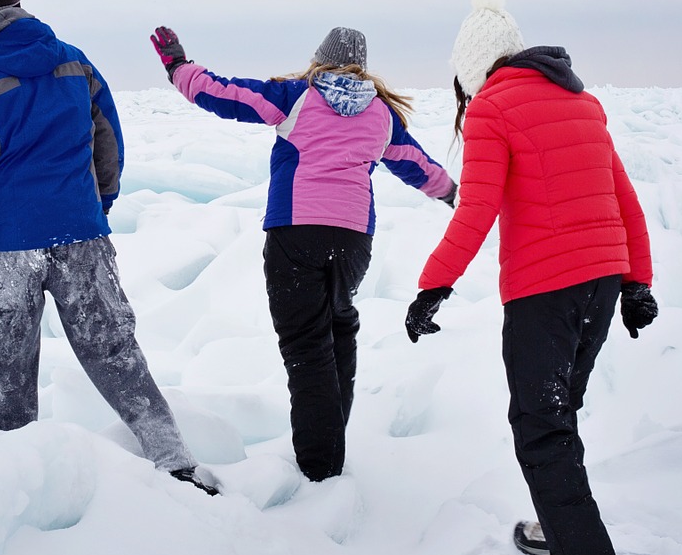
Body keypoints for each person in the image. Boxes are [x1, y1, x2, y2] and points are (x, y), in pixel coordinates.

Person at [0, 0, 216, 495]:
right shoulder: (74, 62)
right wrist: (95, 207)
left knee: (12, 369)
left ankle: (9, 479)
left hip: (12, 248)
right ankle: (174, 462)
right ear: (18, 3)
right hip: (81, 235)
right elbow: (108, 142)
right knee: (115, 352)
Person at [404, 0, 657, 555]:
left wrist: (432, 286)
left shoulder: (492, 107)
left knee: (540, 423)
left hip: (544, 290)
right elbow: (626, 201)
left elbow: (477, 208)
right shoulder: (583, 102)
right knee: (557, 414)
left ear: (471, 67)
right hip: (599, 283)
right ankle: (560, 524)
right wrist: (638, 281)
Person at [150, 24, 457, 482]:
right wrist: (456, 194)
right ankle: (331, 443)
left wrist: (177, 64)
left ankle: (320, 468)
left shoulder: (295, 96)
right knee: (338, 328)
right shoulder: (381, 115)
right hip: (353, 240)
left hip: (296, 233)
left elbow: (221, 94)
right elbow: (419, 167)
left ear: (320, 59)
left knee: (306, 347)